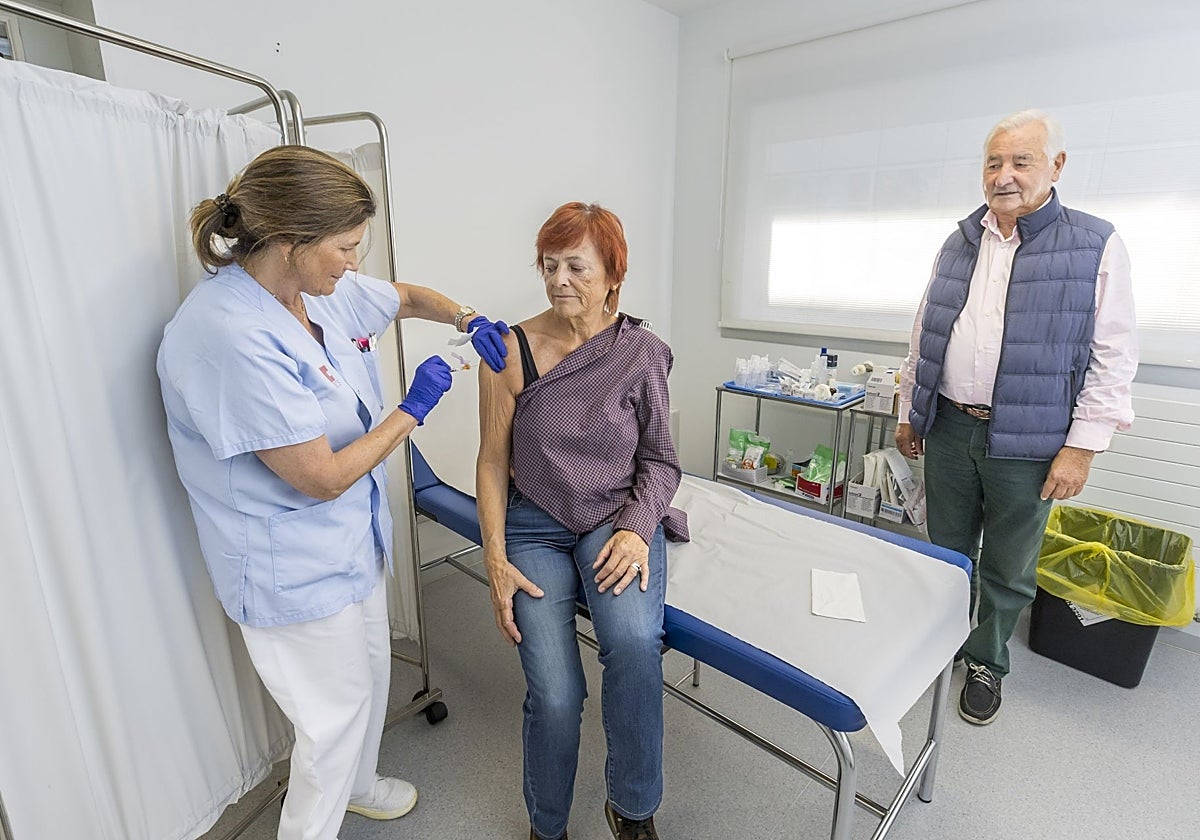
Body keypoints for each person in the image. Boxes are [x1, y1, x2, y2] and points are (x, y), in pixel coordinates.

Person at [156, 145, 508, 840]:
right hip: (290, 562)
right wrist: (414, 408)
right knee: (330, 720)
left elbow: (404, 298)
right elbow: (319, 477)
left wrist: (465, 317)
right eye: (346, 247)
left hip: (352, 541)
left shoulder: (317, 286)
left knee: (370, 676)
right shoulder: (228, 335)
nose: (355, 263)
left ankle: (361, 783)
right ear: (290, 241)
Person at [896, 110, 1137, 726]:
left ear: (1056, 166)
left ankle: (986, 660)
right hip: (949, 426)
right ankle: (941, 642)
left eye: (1021, 161)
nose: (1004, 175)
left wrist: (1081, 447)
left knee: (1008, 562)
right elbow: (924, 332)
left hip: (1030, 443)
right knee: (945, 549)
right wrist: (910, 411)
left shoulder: (1095, 243)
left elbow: (1113, 355)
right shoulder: (959, 240)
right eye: (994, 162)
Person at [476, 202, 688, 840]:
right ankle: (548, 826)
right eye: (549, 265)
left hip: (613, 515)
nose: (559, 279)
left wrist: (636, 526)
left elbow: (659, 459)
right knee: (558, 695)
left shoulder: (643, 352)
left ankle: (632, 809)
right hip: (534, 523)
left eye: (576, 266)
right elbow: (490, 462)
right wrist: (495, 560)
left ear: (613, 275)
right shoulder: (509, 349)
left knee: (631, 644)